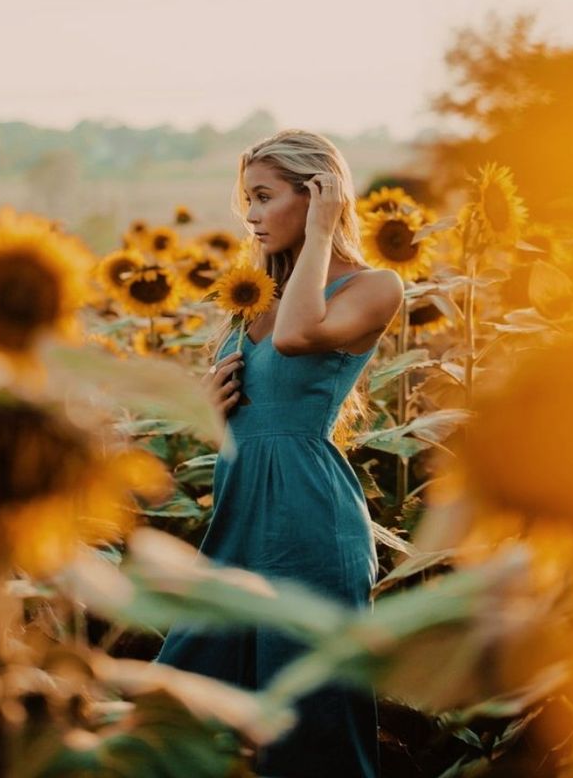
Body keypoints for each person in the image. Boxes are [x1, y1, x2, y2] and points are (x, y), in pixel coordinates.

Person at [154, 129, 404, 777]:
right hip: (238, 523)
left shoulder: (374, 286)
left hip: (309, 526)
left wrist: (323, 233)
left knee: (312, 730)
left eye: (264, 197)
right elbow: (247, 424)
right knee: (178, 709)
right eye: (247, 201)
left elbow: (297, 338)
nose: (253, 216)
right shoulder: (251, 301)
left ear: (317, 194)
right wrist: (207, 413)